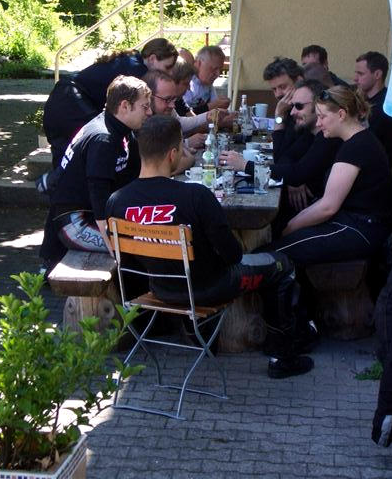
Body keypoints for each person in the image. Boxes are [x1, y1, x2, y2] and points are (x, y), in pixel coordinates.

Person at [106, 115, 315, 379]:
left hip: (159, 289)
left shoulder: (117, 201)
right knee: (282, 264)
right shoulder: (196, 196)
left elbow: (128, 259)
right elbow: (233, 255)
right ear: (173, 154)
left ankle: (200, 333)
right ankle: (283, 355)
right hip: (211, 288)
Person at [271, 86, 392, 266]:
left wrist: (290, 228)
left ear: (341, 114)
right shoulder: (356, 141)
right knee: (277, 241)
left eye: (322, 116)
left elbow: (328, 207)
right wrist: (290, 225)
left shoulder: (356, 146)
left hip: (359, 230)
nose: (318, 123)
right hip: (354, 224)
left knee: (272, 255)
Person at [39, 75, 152, 270]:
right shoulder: (103, 139)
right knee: (140, 246)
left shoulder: (121, 129)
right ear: (125, 106)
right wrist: (112, 243)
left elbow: (136, 175)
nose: (150, 112)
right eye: (145, 107)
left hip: (92, 216)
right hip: (76, 223)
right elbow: (98, 196)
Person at [43, 38, 177, 167]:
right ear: (152, 59)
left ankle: (56, 179)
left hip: (64, 97)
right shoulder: (137, 71)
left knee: (68, 156)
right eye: (168, 67)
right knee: (99, 142)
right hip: (71, 102)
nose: (170, 73)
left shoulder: (132, 59)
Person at [220, 80, 342, 219]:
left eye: (299, 106)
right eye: (292, 106)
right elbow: (282, 157)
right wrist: (279, 115)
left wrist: (245, 165)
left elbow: (297, 172)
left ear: (318, 106)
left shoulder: (328, 137)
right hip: (300, 206)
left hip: (315, 212)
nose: (292, 112)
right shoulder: (309, 132)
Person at [353, 51, 392, 166]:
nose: (355, 78)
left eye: (360, 74)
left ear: (377, 74)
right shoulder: (367, 99)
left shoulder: (385, 107)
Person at [262, 57, 304, 161]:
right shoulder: (287, 108)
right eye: (274, 89)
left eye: (283, 87)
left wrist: (279, 114)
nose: (278, 94)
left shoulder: (305, 111)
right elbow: (278, 155)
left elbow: (281, 159)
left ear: (299, 81)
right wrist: (279, 116)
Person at [183, 45, 230, 114]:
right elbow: (184, 115)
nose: (218, 74)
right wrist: (212, 106)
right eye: (214, 69)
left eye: (220, 69)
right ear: (198, 63)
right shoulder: (184, 82)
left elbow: (214, 113)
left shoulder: (207, 83)